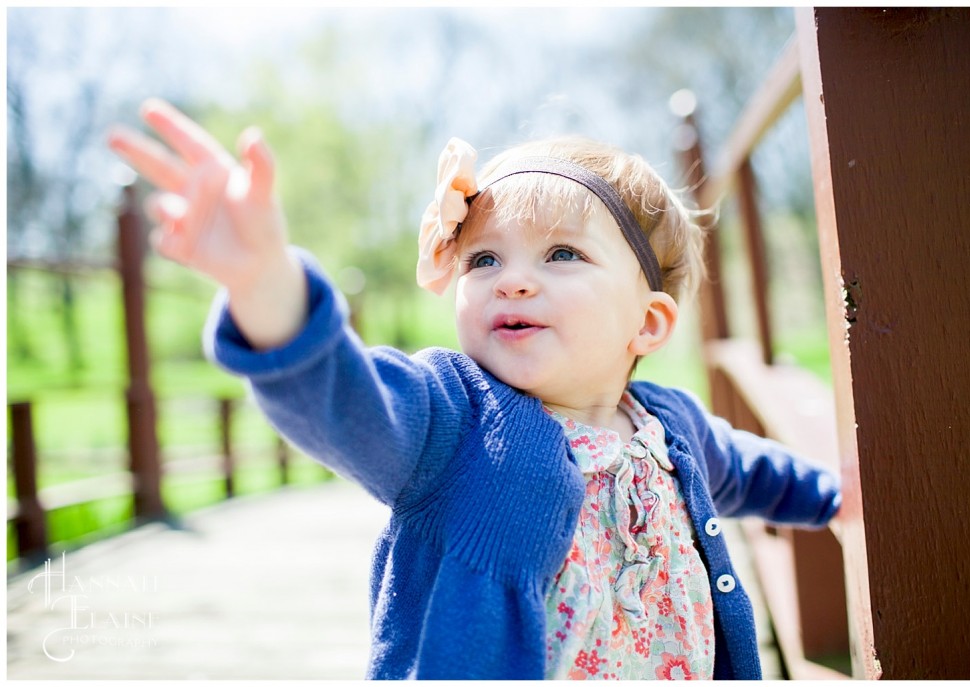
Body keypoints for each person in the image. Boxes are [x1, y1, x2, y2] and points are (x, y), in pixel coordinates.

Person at [108, 98, 841, 680]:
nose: (513, 278)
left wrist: (835, 495)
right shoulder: (451, 417)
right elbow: (347, 399)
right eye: (483, 258)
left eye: (562, 253)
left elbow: (750, 470)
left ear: (647, 323)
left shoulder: (671, 425)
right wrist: (266, 285)